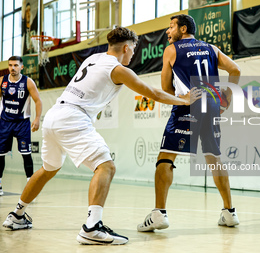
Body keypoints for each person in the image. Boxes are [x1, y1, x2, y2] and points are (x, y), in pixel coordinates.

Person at [2, 27, 201, 245]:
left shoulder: (94, 58)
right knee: (106, 166)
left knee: (48, 169)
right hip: (73, 118)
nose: (133, 54)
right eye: (133, 49)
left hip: (54, 115)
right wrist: (185, 100)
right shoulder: (118, 70)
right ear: (126, 48)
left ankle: (17, 215)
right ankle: (91, 227)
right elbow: (152, 93)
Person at [137, 14, 241, 232]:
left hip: (188, 104)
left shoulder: (172, 50)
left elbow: (166, 88)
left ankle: (159, 213)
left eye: (171, 27)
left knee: (166, 156)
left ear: (183, 29)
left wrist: (183, 99)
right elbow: (235, 70)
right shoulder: (212, 48)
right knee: (214, 156)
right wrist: (227, 97)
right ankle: (229, 212)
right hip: (212, 105)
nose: (167, 31)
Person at [0, 56, 42, 196]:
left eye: (16, 65)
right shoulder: (2, 81)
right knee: (0, 155)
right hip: (5, 122)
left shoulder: (28, 82)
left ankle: (31, 186)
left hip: (22, 123)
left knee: (26, 154)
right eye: (10, 65)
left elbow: (38, 101)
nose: (13, 68)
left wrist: (37, 118)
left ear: (21, 67)